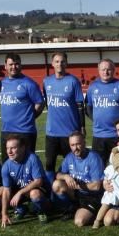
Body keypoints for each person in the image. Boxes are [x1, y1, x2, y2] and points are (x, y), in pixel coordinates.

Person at [42, 52, 84, 184]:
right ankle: (50, 194)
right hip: (52, 132)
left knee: (72, 165)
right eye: (57, 61)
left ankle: (72, 193)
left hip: (69, 132)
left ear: (67, 63)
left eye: (62, 61)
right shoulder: (46, 81)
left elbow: (80, 106)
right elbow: (48, 103)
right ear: (52, 64)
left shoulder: (73, 81)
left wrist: (82, 127)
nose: (60, 64)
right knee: (49, 164)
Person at [0, 53, 45, 160]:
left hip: (25, 132)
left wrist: (30, 117)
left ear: (21, 65)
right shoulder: (1, 84)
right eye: (11, 64)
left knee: (27, 165)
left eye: (16, 64)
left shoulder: (29, 84)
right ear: (5, 66)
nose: (14, 67)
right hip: (6, 131)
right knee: (7, 164)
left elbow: (40, 103)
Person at [85, 59, 119, 157]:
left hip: (117, 135)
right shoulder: (93, 87)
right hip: (98, 136)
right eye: (103, 69)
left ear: (113, 70)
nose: (106, 72)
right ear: (98, 71)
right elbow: (87, 109)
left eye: (109, 69)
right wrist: (96, 120)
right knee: (99, 167)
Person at [52, 132, 105, 227]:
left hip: (92, 197)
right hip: (77, 194)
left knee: (79, 222)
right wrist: (66, 176)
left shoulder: (94, 158)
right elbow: (58, 174)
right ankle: (71, 208)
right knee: (57, 185)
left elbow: (97, 186)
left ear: (84, 143)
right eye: (72, 145)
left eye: (78, 144)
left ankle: (96, 211)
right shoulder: (69, 157)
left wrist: (77, 186)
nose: (75, 148)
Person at [0, 134, 49, 227]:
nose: (9, 151)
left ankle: (41, 211)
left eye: (13, 148)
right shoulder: (6, 166)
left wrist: (20, 193)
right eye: (7, 148)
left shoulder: (32, 158)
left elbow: (38, 181)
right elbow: (6, 190)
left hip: (36, 189)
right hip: (20, 191)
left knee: (35, 194)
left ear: (22, 148)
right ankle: (21, 209)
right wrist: (4, 213)